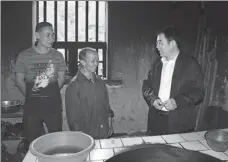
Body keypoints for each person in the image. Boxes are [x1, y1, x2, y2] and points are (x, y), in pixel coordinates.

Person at [142, 26, 205, 135]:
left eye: (160, 43)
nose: (157, 46)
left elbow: (199, 92)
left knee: (176, 151)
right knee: (156, 150)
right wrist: (153, 99)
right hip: (156, 120)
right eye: (157, 43)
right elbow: (146, 86)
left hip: (179, 123)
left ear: (172, 43)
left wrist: (177, 102)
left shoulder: (190, 65)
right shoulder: (157, 64)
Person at [15, 22, 67, 150]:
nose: (51, 38)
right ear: (37, 35)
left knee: (56, 142)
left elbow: (61, 79)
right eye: (47, 35)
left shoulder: (58, 56)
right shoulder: (24, 56)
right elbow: (19, 80)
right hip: (32, 108)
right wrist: (32, 95)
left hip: (53, 107)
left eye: (53, 35)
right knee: (33, 143)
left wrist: (50, 93)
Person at [65, 47, 114, 139]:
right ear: (83, 62)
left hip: (103, 131)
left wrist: (109, 123)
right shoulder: (74, 86)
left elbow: (106, 106)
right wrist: (80, 137)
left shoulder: (99, 82)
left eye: (97, 60)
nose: (96, 63)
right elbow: (73, 117)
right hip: (87, 135)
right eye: (92, 61)